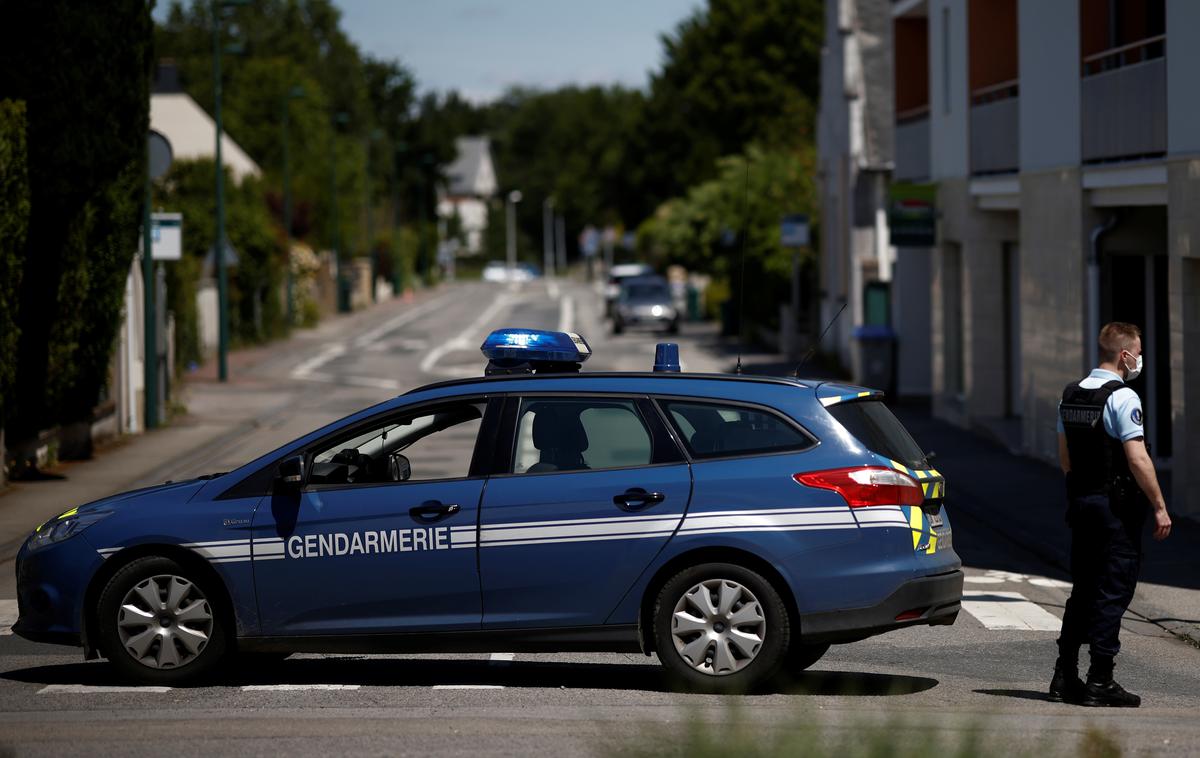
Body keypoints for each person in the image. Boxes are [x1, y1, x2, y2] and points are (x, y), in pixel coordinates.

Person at [1051, 322, 1171, 707]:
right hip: (1114, 510)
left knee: (1083, 589)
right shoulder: (1123, 398)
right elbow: (1137, 458)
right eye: (1136, 352)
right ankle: (1100, 679)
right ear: (1124, 355)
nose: (1138, 360)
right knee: (1112, 590)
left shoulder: (1070, 395)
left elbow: (1066, 458)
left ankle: (1064, 675)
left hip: (1081, 503)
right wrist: (1159, 505)